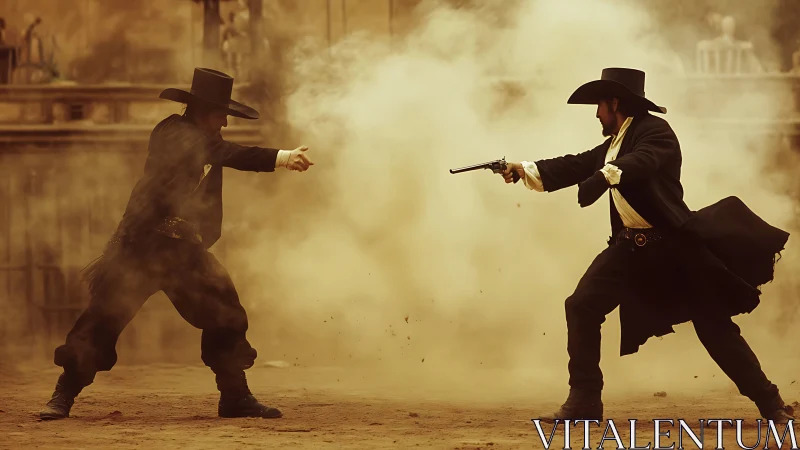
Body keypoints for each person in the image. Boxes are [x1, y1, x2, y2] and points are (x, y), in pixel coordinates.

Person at [501, 68, 793, 423]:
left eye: (599, 106)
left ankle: (771, 402)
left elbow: (642, 162)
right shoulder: (613, 144)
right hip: (629, 249)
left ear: (615, 103)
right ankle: (585, 400)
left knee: (714, 327)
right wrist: (524, 169)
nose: (596, 114)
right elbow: (574, 165)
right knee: (581, 306)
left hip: (673, 249)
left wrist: (605, 176)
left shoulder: (655, 132)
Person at [39, 68, 314, 421]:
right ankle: (64, 394)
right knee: (103, 318)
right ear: (201, 110)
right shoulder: (175, 131)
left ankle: (235, 396)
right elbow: (223, 150)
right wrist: (281, 157)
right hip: (140, 248)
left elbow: (218, 151)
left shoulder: (198, 137)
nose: (224, 124)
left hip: (181, 250)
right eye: (221, 115)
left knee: (225, 309)